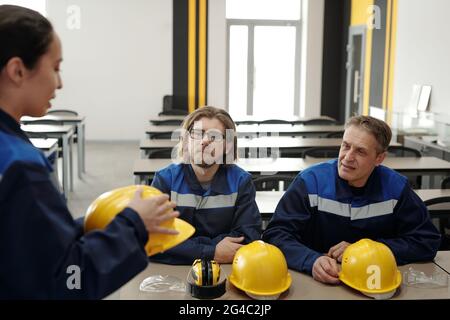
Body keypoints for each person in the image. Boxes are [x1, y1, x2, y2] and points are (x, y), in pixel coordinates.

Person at [0, 5, 180, 299]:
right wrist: (134, 225)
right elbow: (68, 281)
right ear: (18, 70)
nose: (60, 82)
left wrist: (91, 226)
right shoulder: (20, 166)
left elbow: (26, 246)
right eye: (55, 68)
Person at [263, 115, 441, 284]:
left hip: (374, 281)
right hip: (318, 280)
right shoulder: (310, 182)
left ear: (379, 158)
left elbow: (426, 241)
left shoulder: (396, 187)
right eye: (345, 146)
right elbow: (276, 234)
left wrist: (368, 252)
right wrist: (311, 260)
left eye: (360, 151)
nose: (347, 158)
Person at [150, 106, 261, 264]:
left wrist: (185, 247)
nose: (204, 142)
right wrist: (211, 252)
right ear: (187, 141)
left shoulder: (241, 182)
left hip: (224, 272)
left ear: (227, 146)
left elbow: (249, 236)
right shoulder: (165, 180)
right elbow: (154, 239)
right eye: (197, 134)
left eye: (214, 137)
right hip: (172, 274)